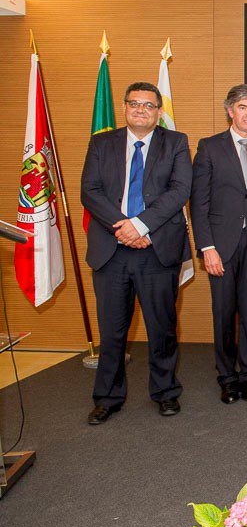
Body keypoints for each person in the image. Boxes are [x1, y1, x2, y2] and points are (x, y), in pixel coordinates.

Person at [80, 82, 192, 424]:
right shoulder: (102, 142)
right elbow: (90, 190)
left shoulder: (176, 142)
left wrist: (141, 226)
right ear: (125, 108)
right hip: (111, 250)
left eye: (148, 105)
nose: (140, 109)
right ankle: (108, 397)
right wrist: (123, 227)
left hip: (156, 249)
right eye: (134, 104)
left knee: (162, 327)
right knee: (112, 330)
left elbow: (179, 190)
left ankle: (165, 392)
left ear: (159, 111)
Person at [190, 84, 247, 404]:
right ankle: (227, 376)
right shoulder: (210, 147)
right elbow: (198, 203)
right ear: (230, 110)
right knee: (224, 314)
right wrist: (207, 247)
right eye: (243, 107)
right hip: (220, 248)